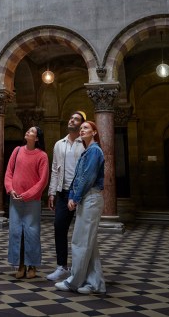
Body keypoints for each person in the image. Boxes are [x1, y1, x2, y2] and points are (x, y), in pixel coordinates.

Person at [55, 120, 106, 295]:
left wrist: (75, 198)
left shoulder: (94, 151)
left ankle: (73, 282)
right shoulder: (88, 151)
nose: (82, 130)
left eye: (86, 128)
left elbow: (88, 177)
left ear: (94, 132)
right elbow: (79, 177)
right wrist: (72, 196)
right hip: (87, 198)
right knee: (89, 244)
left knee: (80, 242)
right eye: (81, 128)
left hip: (90, 197)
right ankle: (95, 284)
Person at [4, 126, 49, 279]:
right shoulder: (17, 151)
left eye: (31, 132)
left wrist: (27, 194)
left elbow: (42, 181)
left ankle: (32, 266)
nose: (28, 132)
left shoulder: (42, 156)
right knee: (16, 232)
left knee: (32, 233)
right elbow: (9, 172)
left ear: (37, 138)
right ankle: (21, 264)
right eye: (28, 131)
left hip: (32, 201)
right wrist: (10, 190)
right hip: (15, 200)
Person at [46, 111, 86, 282]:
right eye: (71, 117)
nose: (72, 120)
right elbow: (55, 168)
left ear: (81, 125)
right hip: (63, 192)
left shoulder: (85, 144)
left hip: (80, 193)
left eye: (76, 119)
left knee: (81, 232)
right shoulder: (59, 144)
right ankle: (62, 266)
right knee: (59, 228)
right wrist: (52, 191)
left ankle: (81, 269)